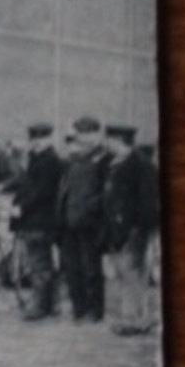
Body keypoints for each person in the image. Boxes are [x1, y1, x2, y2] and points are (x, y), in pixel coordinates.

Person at [102, 124, 160, 335]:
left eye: (109, 139)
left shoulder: (140, 165)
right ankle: (132, 316)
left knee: (132, 271)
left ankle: (134, 319)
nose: (106, 143)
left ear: (118, 140)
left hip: (133, 228)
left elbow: (148, 201)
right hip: (118, 228)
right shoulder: (117, 163)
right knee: (123, 272)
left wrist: (140, 227)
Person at [56, 116, 110, 324]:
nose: (82, 138)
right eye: (80, 133)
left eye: (87, 133)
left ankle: (94, 310)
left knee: (91, 269)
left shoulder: (103, 158)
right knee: (72, 268)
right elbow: (65, 189)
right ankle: (79, 308)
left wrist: (90, 207)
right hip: (69, 221)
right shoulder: (75, 159)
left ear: (96, 135)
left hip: (89, 222)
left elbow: (107, 191)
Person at [14, 122, 64, 320]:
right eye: (34, 139)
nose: (36, 142)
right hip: (36, 218)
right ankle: (50, 304)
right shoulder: (37, 159)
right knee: (42, 262)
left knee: (39, 263)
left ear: (49, 139)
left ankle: (40, 306)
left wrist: (21, 206)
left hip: (42, 219)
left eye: (40, 139)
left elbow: (42, 192)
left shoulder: (49, 161)